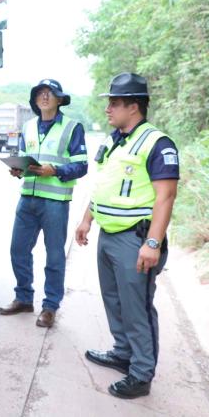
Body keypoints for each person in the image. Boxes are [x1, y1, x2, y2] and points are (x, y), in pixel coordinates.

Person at [74, 73, 179, 399]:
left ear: (134, 106)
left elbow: (166, 197)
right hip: (108, 235)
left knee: (138, 308)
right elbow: (104, 184)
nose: (108, 108)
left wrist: (153, 243)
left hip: (136, 240)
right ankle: (123, 353)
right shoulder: (114, 139)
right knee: (114, 300)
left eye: (115, 103)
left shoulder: (157, 143)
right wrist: (86, 220)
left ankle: (141, 373)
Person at [0, 79, 88, 328]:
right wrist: (18, 170)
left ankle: (50, 307)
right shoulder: (26, 127)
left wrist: (55, 170)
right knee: (18, 249)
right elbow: (25, 160)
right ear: (35, 100)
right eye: (40, 93)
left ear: (60, 100)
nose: (45, 96)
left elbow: (82, 165)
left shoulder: (72, 127)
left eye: (50, 93)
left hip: (55, 202)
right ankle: (24, 298)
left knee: (55, 256)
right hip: (27, 198)